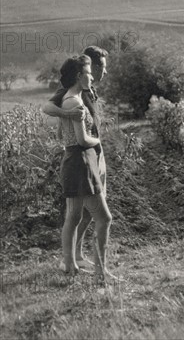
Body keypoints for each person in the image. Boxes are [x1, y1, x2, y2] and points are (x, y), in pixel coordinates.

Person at [43, 46, 109, 271]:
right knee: (93, 213)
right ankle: (78, 260)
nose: (103, 72)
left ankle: (74, 260)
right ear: (85, 71)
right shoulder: (71, 93)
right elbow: (47, 107)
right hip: (83, 156)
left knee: (83, 213)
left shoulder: (88, 90)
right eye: (100, 67)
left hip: (93, 156)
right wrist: (68, 115)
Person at [56, 54, 114, 280]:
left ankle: (70, 266)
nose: (91, 78)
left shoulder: (68, 99)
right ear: (79, 76)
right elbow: (81, 140)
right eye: (89, 74)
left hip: (74, 161)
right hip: (81, 162)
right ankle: (101, 271)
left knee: (74, 216)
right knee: (104, 218)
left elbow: (61, 134)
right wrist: (97, 140)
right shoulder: (75, 103)